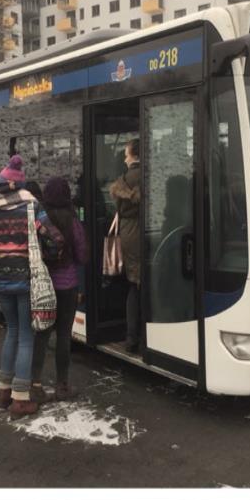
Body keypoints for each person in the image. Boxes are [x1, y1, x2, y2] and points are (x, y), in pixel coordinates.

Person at [0, 155, 63, 419]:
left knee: (12, 332)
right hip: (27, 280)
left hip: (2, 282)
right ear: (20, 182)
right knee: (27, 336)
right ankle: (21, 397)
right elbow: (55, 238)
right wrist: (48, 255)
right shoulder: (31, 205)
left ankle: (4, 391)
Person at [30, 177, 87, 403]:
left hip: (43, 286)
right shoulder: (73, 221)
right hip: (67, 285)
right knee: (64, 335)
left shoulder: (39, 219)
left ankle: (35, 385)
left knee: (41, 335)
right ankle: (62, 385)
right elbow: (83, 254)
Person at [109, 138, 141, 353]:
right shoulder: (151, 175)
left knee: (134, 284)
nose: (124, 157)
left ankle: (132, 338)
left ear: (133, 155)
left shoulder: (124, 180)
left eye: (126, 153)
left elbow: (119, 208)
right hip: (148, 231)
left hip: (130, 234)